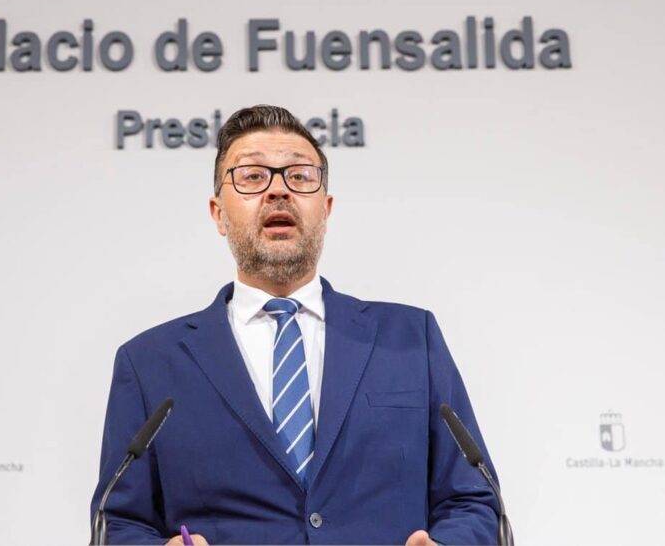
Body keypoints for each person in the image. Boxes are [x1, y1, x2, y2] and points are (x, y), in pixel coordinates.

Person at [91, 105, 501, 545]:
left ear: (325, 209)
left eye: (300, 176)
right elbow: (119, 522)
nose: (278, 191)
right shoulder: (149, 362)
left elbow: (475, 500)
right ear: (218, 214)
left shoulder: (411, 339)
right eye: (252, 177)